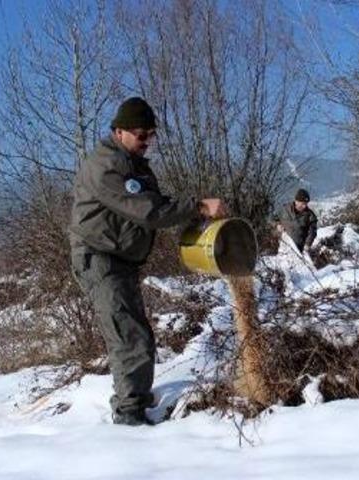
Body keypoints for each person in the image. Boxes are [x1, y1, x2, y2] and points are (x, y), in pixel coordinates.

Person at [69, 97, 225, 426]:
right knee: (129, 337)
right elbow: (148, 211)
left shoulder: (132, 163)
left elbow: (153, 201)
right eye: (142, 135)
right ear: (120, 131)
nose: (147, 141)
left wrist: (190, 214)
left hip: (119, 259)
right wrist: (196, 207)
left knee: (136, 333)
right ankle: (130, 418)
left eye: (151, 134)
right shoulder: (107, 166)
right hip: (101, 259)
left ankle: (136, 398)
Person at [277, 188, 318, 253]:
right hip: (283, 246)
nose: (304, 206)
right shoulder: (285, 209)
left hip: (299, 249)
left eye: (306, 204)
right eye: (302, 204)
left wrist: (308, 244)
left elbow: (312, 232)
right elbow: (273, 218)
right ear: (296, 201)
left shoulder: (310, 215)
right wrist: (277, 225)